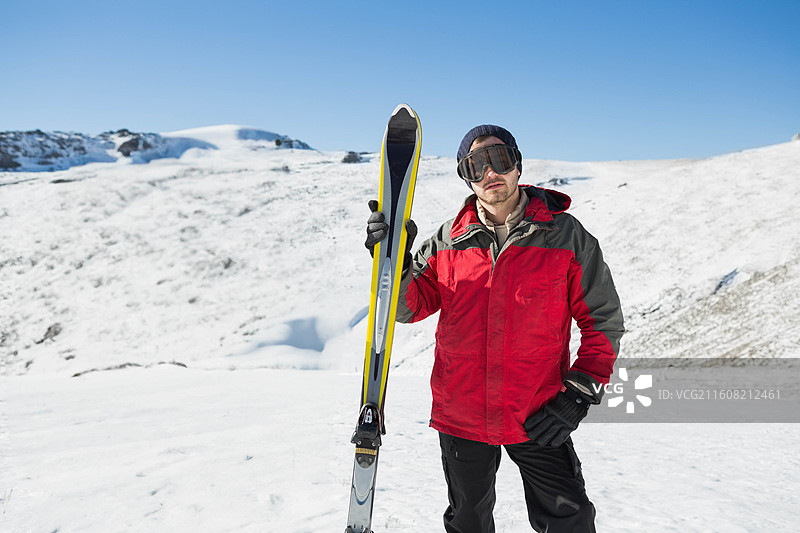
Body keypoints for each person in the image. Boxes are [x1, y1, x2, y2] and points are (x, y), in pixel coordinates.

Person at [365, 124, 624, 533]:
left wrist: (578, 394)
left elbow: (602, 321)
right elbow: (408, 309)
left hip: (538, 412)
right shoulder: (448, 241)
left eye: (499, 160)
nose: (490, 173)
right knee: (468, 522)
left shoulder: (566, 237)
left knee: (569, 519)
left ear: (517, 164)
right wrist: (392, 266)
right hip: (462, 413)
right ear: (466, 177)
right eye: (476, 165)